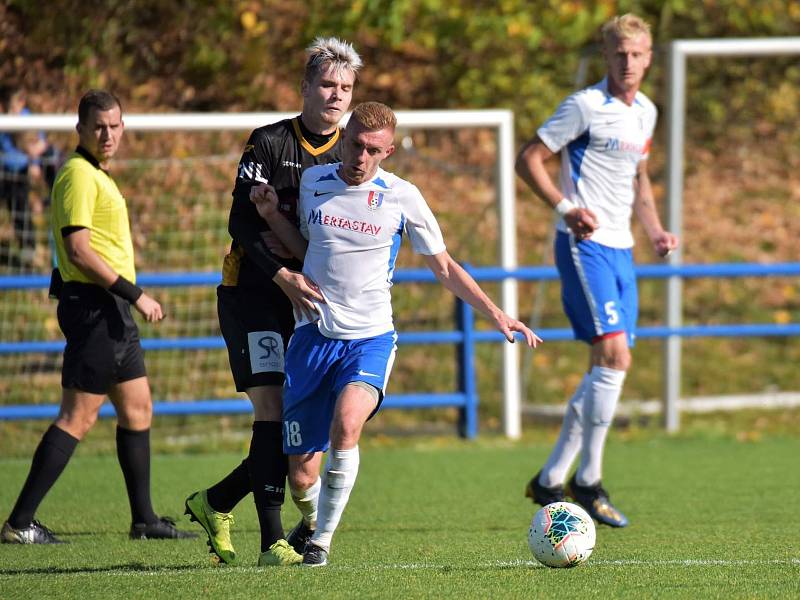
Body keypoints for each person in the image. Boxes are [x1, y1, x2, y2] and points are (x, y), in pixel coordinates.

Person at [251, 101, 542, 566]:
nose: (360, 157)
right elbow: (312, 251)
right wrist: (272, 218)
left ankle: (320, 543)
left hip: (370, 338)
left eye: (372, 150)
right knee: (302, 477)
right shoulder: (313, 183)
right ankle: (311, 520)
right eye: (355, 145)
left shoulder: (403, 197)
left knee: (347, 424)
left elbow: (444, 266)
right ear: (343, 139)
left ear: (388, 152)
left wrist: (497, 314)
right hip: (312, 336)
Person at [184, 37, 362, 567]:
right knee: (272, 410)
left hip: (309, 304)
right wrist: (283, 273)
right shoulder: (268, 142)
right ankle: (273, 542)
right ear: (306, 87)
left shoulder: (349, 153)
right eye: (327, 84)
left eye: (345, 88)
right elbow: (240, 220)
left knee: (302, 427)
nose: (335, 95)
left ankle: (215, 502)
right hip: (254, 293)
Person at [1, 90, 196, 544]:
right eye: (98, 127)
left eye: (114, 126)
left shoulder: (98, 175)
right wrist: (137, 294)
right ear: (81, 131)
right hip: (95, 307)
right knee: (77, 417)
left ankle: (144, 520)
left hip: (111, 311)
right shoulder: (77, 175)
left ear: (123, 127)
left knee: (138, 407)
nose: (107, 134)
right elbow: (79, 251)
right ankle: (19, 523)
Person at [515, 14, 679, 528]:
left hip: (624, 250)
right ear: (606, 57)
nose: (628, 63)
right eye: (619, 54)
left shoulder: (646, 113)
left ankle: (555, 479)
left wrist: (654, 229)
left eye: (637, 54)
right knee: (615, 358)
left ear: (650, 57)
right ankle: (585, 480)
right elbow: (530, 159)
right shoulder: (585, 106)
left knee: (605, 368)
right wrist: (566, 209)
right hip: (584, 245)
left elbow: (641, 181)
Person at [0, 87, 60, 268]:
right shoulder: (5, 121)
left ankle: (33, 252)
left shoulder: (30, 123)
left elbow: (60, 194)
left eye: (13, 106)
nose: (11, 110)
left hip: (20, 172)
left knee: (21, 208)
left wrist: (33, 164)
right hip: (5, 171)